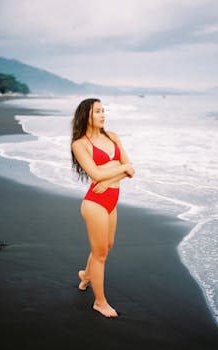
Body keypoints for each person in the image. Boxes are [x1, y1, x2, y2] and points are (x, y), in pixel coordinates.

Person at [71, 98, 135, 318]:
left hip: (111, 199)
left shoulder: (112, 136)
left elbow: (131, 169)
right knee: (100, 255)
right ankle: (99, 302)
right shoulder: (80, 144)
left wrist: (111, 178)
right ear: (85, 115)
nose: (102, 115)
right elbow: (95, 174)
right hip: (95, 203)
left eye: (103, 110)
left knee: (107, 245)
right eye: (97, 111)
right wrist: (120, 168)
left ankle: (85, 276)